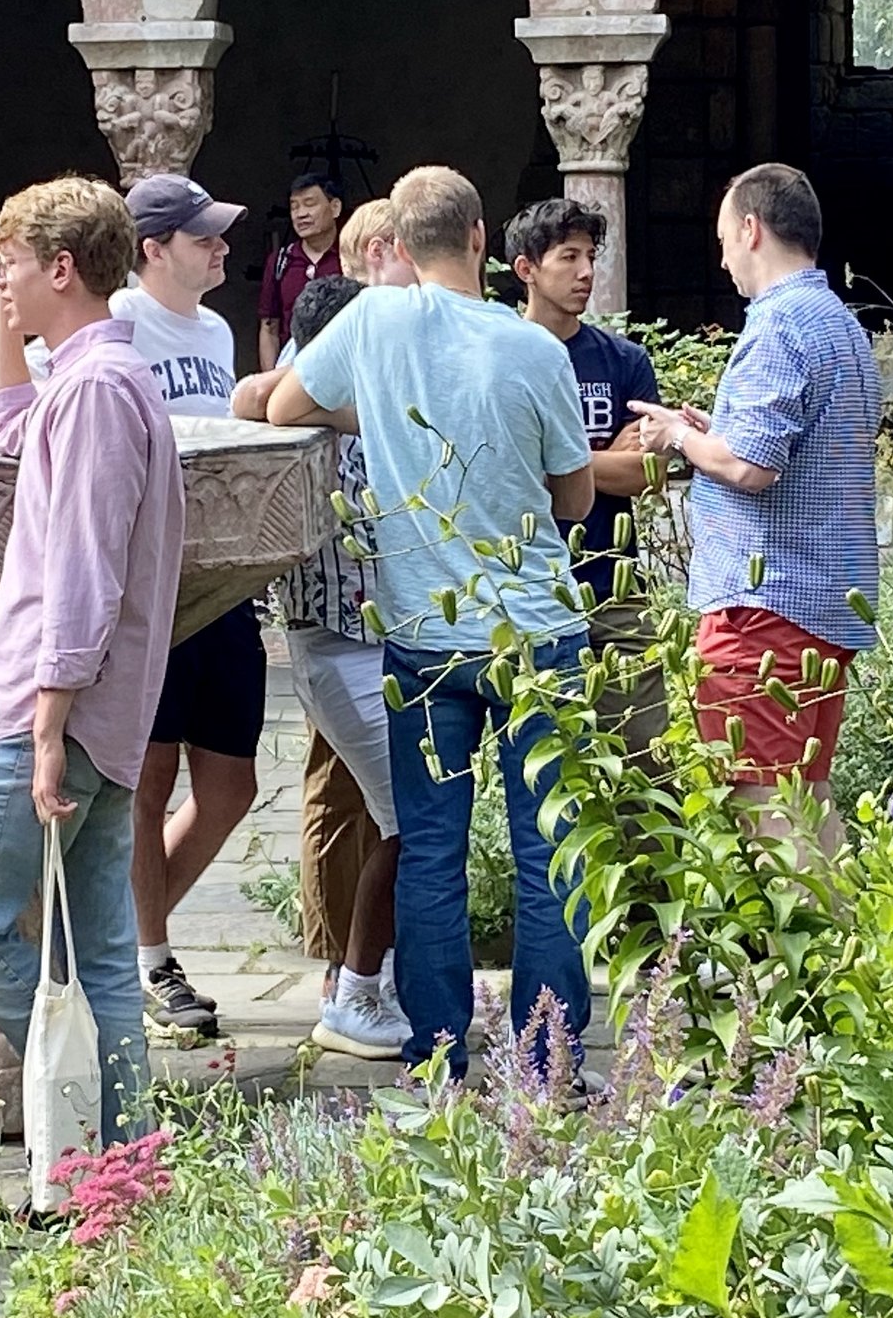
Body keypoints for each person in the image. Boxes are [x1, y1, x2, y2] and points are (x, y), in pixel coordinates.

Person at [269, 164, 596, 1082]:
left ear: (399, 250)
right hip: (535, 633)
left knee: (432, 857)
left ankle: (438, 1058)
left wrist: (382, 414)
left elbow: (290, 404)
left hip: (423, 637)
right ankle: (550, 1063)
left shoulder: (371, 321)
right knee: (550, 852)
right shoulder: (534, 347)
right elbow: (572, 499)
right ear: (485, 241)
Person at [0, 177, 183, 1149]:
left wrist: (45, 720)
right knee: (101, 954)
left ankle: (84, 1113)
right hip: (91, 714)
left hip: (56, 715)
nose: (0, 279)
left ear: (61, 268)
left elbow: (85, 569)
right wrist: (4, 320)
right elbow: (11, 425)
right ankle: (124, 1165)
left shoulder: (101, 392)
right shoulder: (88, 381)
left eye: (12, 265)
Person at [629, 164, 882, 850]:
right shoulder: (838, 323)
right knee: (806, 795)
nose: (720, 257)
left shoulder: (776, 325)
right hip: (825, 601)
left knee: (763, 804)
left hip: (764, 607)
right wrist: (714, 434)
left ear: (751, 229)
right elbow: (788, 448)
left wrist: (678, 436)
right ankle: (842, 953)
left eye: (722, 238)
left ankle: (809, 958)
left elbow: (751, 466)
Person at [111, 174, 255, 1038]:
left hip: (220, 577)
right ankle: (150, 960)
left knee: (231, 784)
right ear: (152, 249)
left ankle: (117, 940)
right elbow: (14, 394)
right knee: (149, 778)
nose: (221, 249)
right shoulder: (120, 321)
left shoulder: (216, 328)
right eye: (203, 237)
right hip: (148, 579)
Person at [270, 276, 410, 1059]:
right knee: (406, 824)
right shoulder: (306, 418)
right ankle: (355, 990)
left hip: (374, 644)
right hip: (336, 646)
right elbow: (260, 396)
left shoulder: (347, 409)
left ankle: (376, 980)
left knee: (405, 821)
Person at [507, 198, 668, 760]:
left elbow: (648, 473)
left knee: (646, 759)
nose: (586, 272)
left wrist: (551, 460)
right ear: (526, 269)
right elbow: (503, 468)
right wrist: (602, 457)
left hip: (613, 588)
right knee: (550, 765)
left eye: (591, 256)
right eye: (568, 257)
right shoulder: (503, 357)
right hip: (526, 587)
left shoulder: (624, 360)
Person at [258, 170, 346, 369]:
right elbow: (269, 327)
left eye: (310, 203)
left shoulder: (351, 257)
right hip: (291, 374)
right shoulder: (281, 261)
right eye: (294, 207)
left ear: (335, 208)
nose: (300, 214)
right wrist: (269, 383)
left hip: (342, 374)